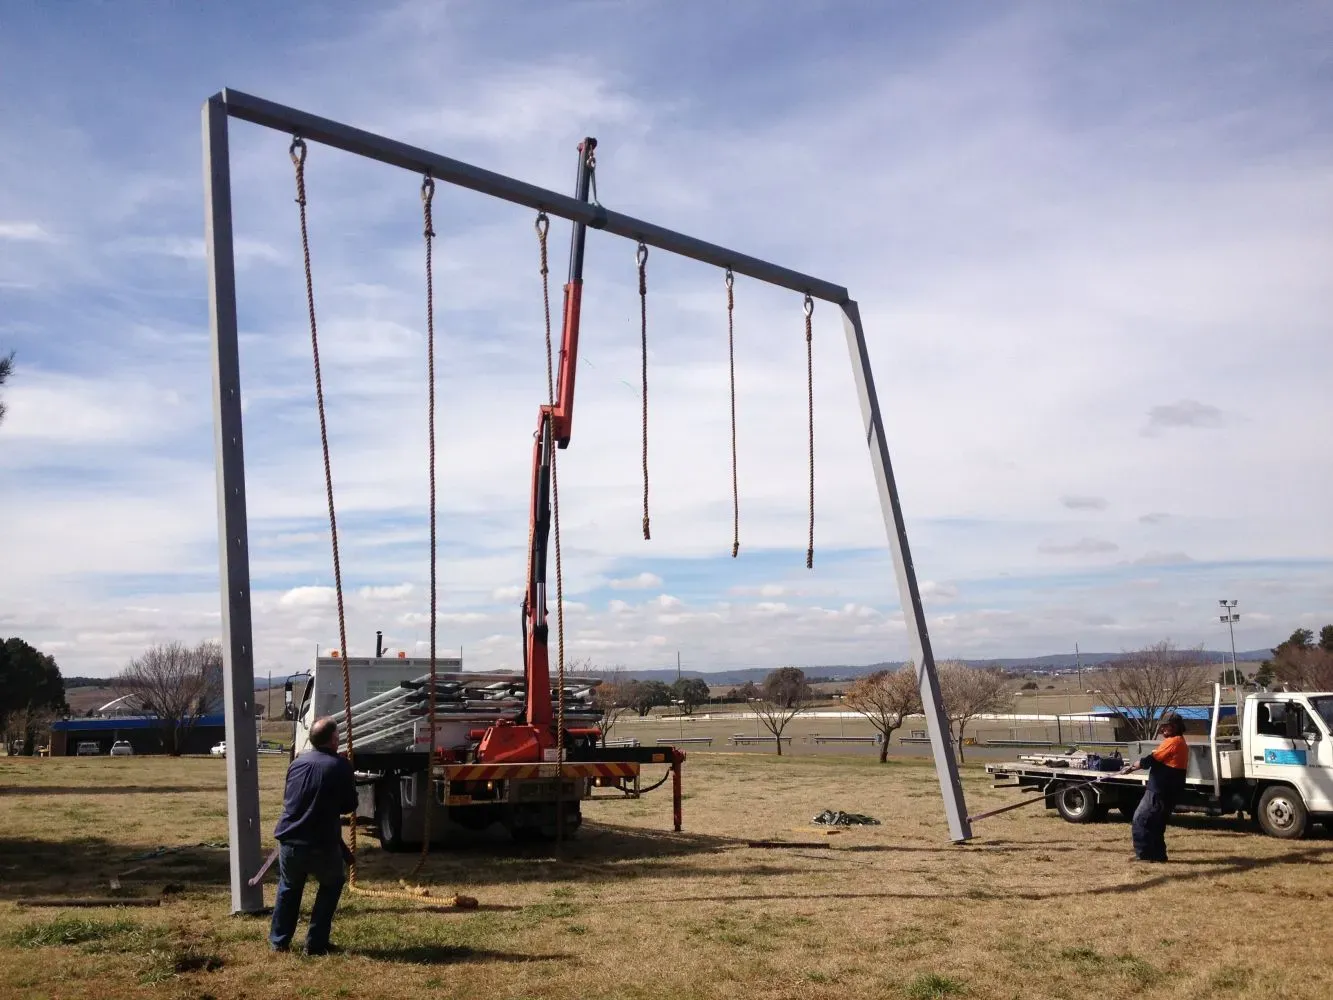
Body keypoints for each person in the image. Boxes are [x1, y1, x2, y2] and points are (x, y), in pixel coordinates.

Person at [268, 716, 358, 955]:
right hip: (320, 842)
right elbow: (349, 805)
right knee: (331, 884)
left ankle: (279, 942)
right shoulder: (340, 766)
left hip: (289, 838)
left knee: (289, 887)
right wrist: (346, 772)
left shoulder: (297, 763)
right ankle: (315, 943)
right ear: (334, 739)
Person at [1121, 712, 1189, 863]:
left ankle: (1144, 855)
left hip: (1159, 791)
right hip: (1166, 791)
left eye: (1167, 726)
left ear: (1176, 726)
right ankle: (1158, 856)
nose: (1163, 728)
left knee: (1141, 819)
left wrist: (1133, 766)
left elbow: (1152, 759)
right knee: (1156, 824)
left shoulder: (1174, 742)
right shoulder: (1178, 741)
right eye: (1163, 726)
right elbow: (1158, 758)